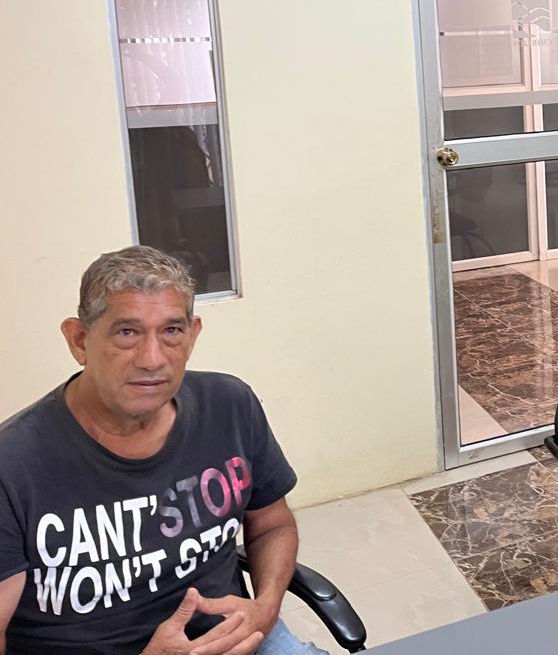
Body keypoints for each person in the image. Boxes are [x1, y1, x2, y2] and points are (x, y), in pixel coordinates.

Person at [0, 246, 325, 654]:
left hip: (233, 638)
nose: (152, 359)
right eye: (127, 332)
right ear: (79, 340)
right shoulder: (14, 466)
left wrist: (266, 607)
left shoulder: (229, 406)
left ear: (192, 334)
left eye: (171, 331)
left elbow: (272, 524)